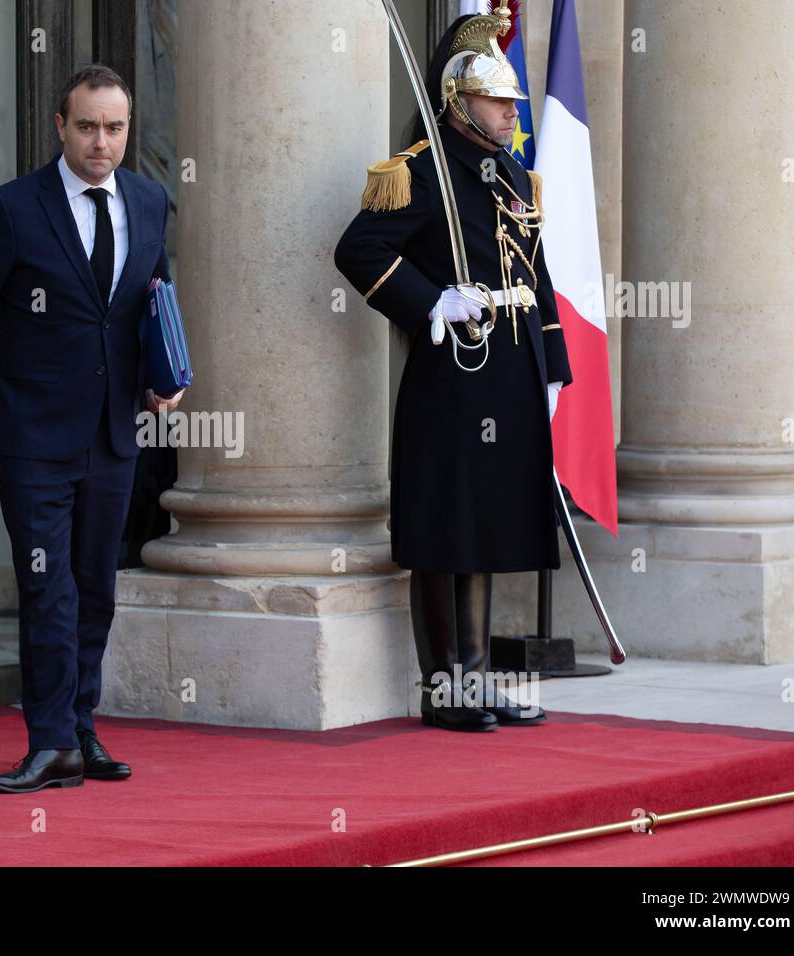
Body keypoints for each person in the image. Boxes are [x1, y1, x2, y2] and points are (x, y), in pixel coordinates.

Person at [0, 64, 181, 793]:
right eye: (86, 127)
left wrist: (164, 372)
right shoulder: (12, 207)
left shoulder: (148, 201)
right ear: (60, 127)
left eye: (114, 128)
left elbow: (153, 294)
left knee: (95, 586)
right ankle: (49, 741)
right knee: (48, 587)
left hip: (114, 432)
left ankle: (81, 728)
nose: (101, 142)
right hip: (30, 431)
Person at [335, 6, 572, 732]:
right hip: (454, 375)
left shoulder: (509, 176)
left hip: (511, 369)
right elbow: (358, 251)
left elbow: (537, 270)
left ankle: (477, 671)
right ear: (459, 102)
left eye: (511, 100)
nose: (511, 111)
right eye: (499, 100)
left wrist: (554, 364)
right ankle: (446, 684)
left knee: (490, 526)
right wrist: (430, 299)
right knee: (448, 527)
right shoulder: (418, 171)